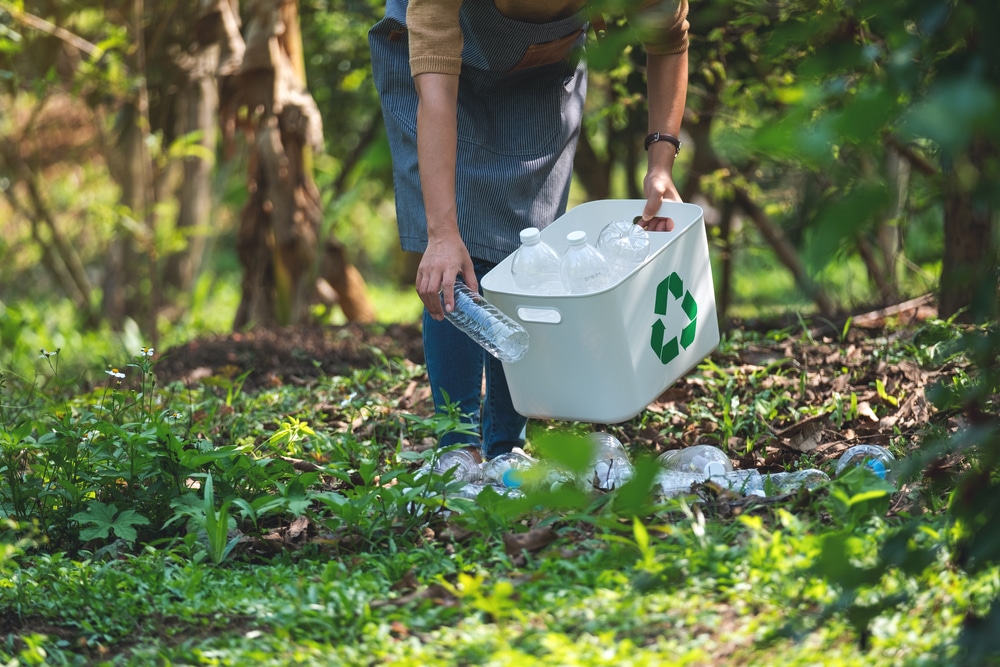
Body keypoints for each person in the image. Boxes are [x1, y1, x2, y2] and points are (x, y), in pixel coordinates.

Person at [369, 0, 689, 460]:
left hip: (544, 63)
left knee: (527, 253)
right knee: (455, 258)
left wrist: (661, 164)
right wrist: (441, 235)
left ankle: (505, 449)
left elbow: (668, 39)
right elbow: (436, 96)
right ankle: (456, 452)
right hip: (434, 66)